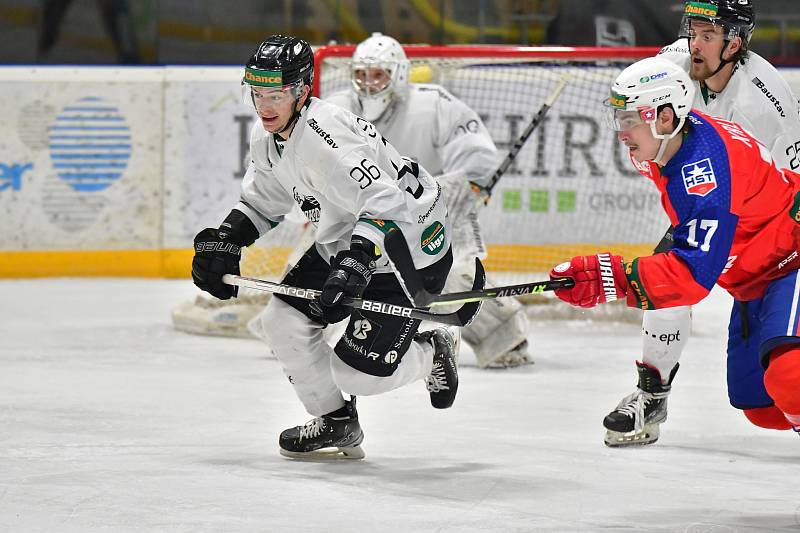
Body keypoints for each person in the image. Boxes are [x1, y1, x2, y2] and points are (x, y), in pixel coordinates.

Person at [191, 35, 460, 460]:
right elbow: (263, 200)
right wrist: (227, 239)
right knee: (281, 322)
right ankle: (336, 422)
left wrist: (357, 263)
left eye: (275, 94)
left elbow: (387, 201)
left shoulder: (324, 136)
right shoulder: (270, 139)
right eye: (257, 93)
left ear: (300, 91)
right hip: (348, 240)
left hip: (407, 252)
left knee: (358, 377)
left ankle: (431, 353)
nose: (264, 105)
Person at [549, 56, 800, 443]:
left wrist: (611, 278)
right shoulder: (663, 145)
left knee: (791, 378)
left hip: (791, 255)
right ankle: (654, 395)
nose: (622, 133)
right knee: (764, 411)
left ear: (665, 118)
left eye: (630, 119)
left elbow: (692, 277)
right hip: (754, 269)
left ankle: (651, 396)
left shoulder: (707, 171)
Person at [323, 32, 533, 369]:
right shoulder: (335, 109)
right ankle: (300, 322)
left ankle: (503, 332)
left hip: (430, 214)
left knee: (449, 275)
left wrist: (456, 188)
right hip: (360, 217)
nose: (368, 84)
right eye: (361, 75)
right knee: (321, 257)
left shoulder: (432, 103)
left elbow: (476, 157)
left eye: (378, 75)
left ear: (399, 75)